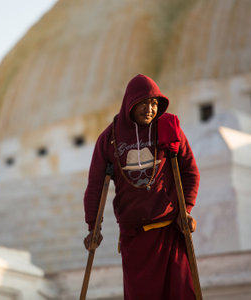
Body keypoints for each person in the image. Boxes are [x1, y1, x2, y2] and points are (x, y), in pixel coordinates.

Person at [83, 74, 200, 299]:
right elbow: (96, 184)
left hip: (169, 233)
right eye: (144, 103)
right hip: (134, 238)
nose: (149, 109)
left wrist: (186, 208)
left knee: (179, 293)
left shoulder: (168, 128)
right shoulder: (109, 138)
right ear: (130, 104)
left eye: (154, 103)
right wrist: (92, 226)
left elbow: (190, 171)